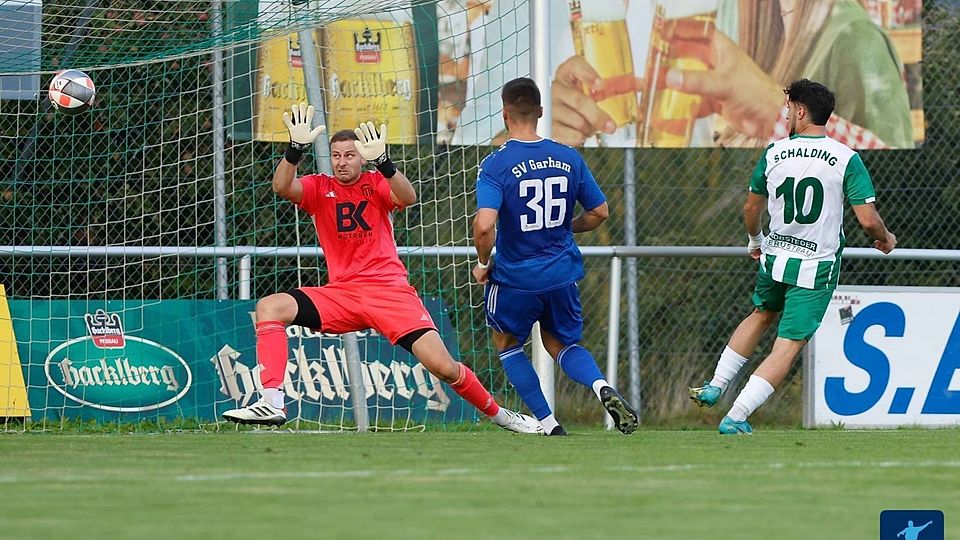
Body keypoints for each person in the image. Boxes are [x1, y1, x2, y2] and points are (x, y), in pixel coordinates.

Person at [223, 103, 542, 434]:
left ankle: (503, 417)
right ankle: (272, 401)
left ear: (362, 157)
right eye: (336, 155)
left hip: (389, 292)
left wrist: (385, 163)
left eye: (350, 155)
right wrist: (294, 150)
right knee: (269, 307)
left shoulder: (375, 183)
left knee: (444, 368)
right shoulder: (319, 187)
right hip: (343, 294)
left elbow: (409, 196)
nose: (342, 162)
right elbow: (281, 187)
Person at [688, 79, 897, 434]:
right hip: (815, 267)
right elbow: (867, 219)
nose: (785, 113)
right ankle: (735, 417)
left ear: (801, 111)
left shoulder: (774, 152)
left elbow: (751, 206)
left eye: (788, 107)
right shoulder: (847, 158)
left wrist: (756, 240)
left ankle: (715, 385)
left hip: (775, 258)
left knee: (760, 314)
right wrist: (886, 237)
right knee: (787, 346)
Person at [472, 77, 639, 435]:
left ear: (504, 114)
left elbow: (485, 226)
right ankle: (600, 387)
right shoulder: (568, 157)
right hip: (561, 274)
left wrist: (484, 264)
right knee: (563, 345)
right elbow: (600, 212)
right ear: (541, 112)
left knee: (507, 343)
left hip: (516, 277)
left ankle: (549, 424)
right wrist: (565, 226)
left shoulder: (496, 165)